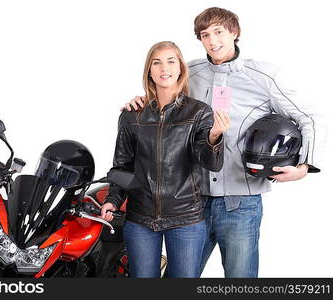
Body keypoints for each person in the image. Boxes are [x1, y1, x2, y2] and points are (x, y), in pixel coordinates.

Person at [122, 7, 321, 278]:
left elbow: (309, 118)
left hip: (241, 202)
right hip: (190, 202)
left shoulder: (263, 76)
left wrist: (304, 166)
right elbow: (163, 91)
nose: (213, 40)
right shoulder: (188, 71)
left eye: (219, 32)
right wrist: (140, 101)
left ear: (234, 33)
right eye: (205, 34)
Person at [99, 41, 229, 278]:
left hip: (186, 219)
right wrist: (113, 200)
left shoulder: (198, 112)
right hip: (140, 219)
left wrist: (214, 136)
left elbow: (212, 163)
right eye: (156, 62)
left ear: (180, 68)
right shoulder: (131, 115)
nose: (164, 68)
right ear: (149, 70)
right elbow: (122, 167)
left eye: (171, 61)